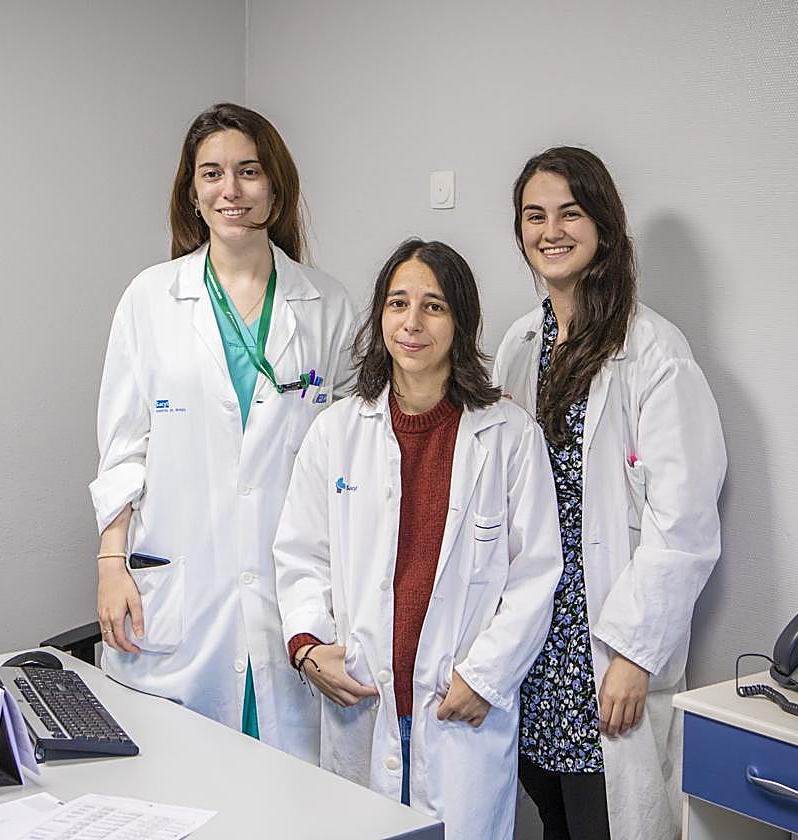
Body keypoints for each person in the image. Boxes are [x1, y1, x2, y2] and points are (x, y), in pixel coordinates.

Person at [89, 103, 355, 762]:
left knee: (288, 790)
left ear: (276, 186)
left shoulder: (327, 305)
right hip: (180, 598)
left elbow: (352, 459)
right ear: (192, 191)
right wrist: (111, 565)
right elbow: (123, 451)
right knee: (177, 780)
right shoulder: (149, 299)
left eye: (248, 171)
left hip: (289, 597)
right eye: (211, 174)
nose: (230, 190)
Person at [273, 239, 563, 837]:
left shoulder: (508, 435)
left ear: (461, 322)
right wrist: (307, 644)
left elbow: (535, 573)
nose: (412, 323)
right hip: (362, 698)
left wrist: (485, 677)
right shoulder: (337, 431)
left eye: (434, 306)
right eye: (398, 303)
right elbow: (301, 554)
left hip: (457, 707)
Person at [493, 146, 727, 840]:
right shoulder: (520, 343)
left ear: (603, 223)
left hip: (604, 641)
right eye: (534, 216)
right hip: (535, 637)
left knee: (603, 819)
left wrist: (633, 654)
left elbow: (683, 523)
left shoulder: (653, 351)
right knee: (551, 813)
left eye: (569, 213)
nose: (550, 231)